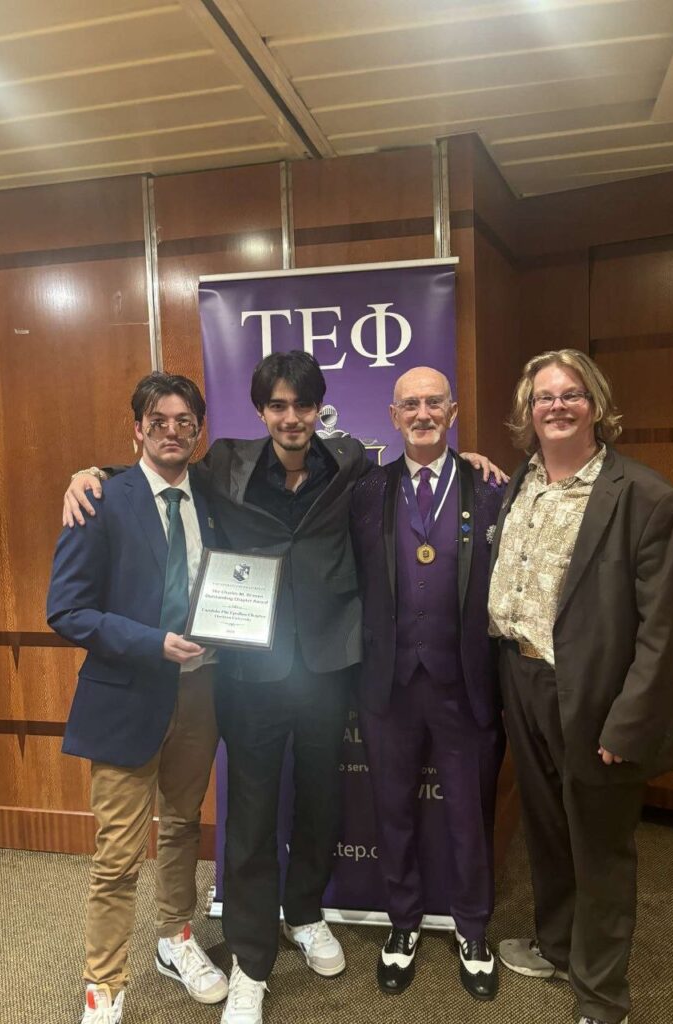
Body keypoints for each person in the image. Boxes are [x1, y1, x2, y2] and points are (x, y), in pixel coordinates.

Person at [62, 352, 502, 1024]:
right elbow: (157, 470)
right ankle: (250, 961)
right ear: (262, 412)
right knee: (252, 820)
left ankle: (305, 913)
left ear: (319, 411)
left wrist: (475, 465)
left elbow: (425, 467)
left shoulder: (350, 464)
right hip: (250, 675)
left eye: (302, 405)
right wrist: (91, 474)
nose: (290, 417)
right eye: (277, 405)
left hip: (329, 672)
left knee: (323, 805)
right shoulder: (226, 466)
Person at [487, 350, 673, 1024]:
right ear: (528, 412)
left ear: (597, 405)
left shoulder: (648, 498)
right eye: (543, 396)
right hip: (520, 677)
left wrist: (630, 722)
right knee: (546, 829)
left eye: (571, 394)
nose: (556, 406)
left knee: (600, 847)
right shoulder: (518, 485)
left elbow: (663, 631)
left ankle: (603, 998)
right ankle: (554, 944)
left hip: (596, 696)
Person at [47, 373, 229, 1024]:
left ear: (199, 431)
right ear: (137, 429)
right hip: (126, 695)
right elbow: (65, 609)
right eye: (160, 421)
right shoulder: (100, 497)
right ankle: (103, 984)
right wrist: (151, 642)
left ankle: (176, 938)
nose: (174, 431)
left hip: (200, 692)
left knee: (183, 827)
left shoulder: (213, 493)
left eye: (186, 422)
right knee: (118, 852)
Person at [350, 367, 505, 999]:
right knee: (393, 811)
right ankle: (403, 922)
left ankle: (472, 928)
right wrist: (106, 473)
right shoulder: (367, 488)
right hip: (389, 683)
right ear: (392, 416)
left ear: (453, 410)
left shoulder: (490, 486)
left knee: (468, 813)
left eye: (433, 403)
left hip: (461, 681)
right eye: (410, 404)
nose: (422, 413)